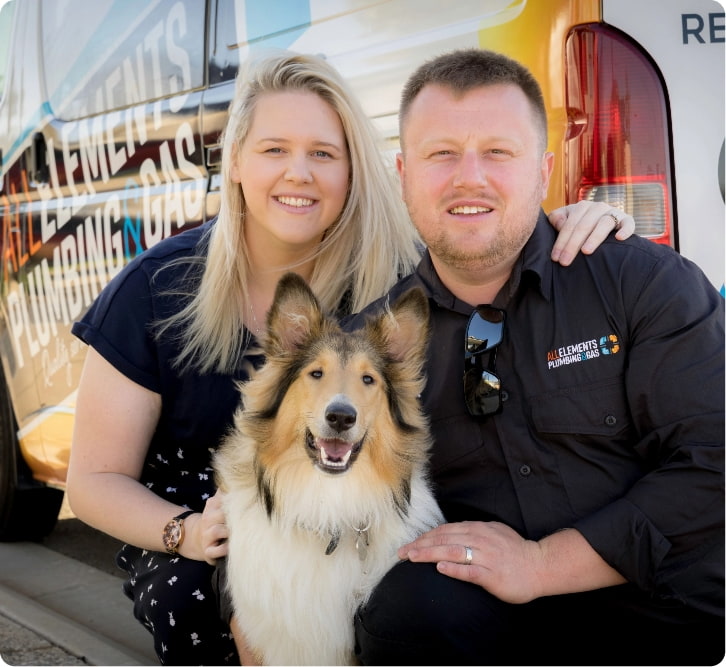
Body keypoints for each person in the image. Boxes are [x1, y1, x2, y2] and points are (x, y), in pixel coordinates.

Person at [66, 50, 636, 666]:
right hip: (200, 508)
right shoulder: (159, 286)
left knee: (398, 601)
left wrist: (572, 223)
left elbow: (487, 246)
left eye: (323, 153)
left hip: (354, 497)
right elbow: (94, 480)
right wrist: (185, 532)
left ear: (353, 170)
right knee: (201, 597)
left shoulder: (394, 273)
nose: (298, 173)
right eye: (273, 149)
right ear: (234, 160)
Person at [348, 48, 725, 666]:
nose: (470, 177)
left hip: (667, 611)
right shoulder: (371, 349)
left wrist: (543, 564)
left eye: (498, 151)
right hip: (485, 623)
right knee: (403, 610)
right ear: (403, 174)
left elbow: (715, 463)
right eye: (441, 153)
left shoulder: (643, 285)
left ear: (543, 171)